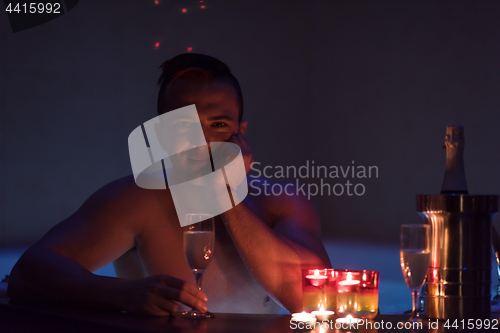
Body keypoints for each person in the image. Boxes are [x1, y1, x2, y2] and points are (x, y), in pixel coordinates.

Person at [8, 53, 331, 316]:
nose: (202, 141)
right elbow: (28, 273)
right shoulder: (137, 201)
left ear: (240, 130)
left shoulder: (282, 200)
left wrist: (226, 194)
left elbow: (314, 302)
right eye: (182, 126)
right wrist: (120, 294)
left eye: (218, 125)